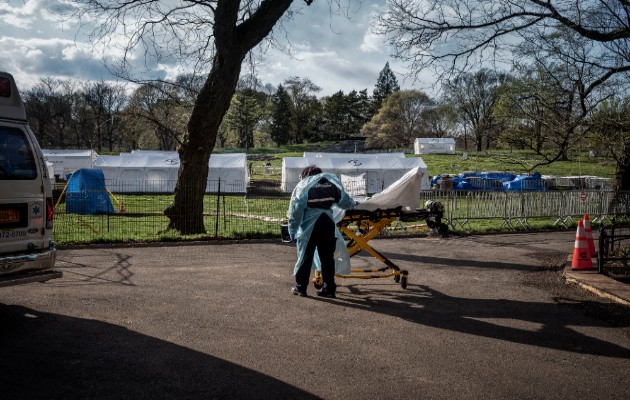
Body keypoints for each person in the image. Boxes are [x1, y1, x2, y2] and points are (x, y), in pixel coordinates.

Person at [287, 165, 355, 298]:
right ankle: (329, 288)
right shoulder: (331, 184)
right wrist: (354, 204)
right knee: (327, 258)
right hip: (327, 224)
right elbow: (345, 202)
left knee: (305, 257)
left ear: (306, 174)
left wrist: (292, 229)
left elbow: (296, 210)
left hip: (309, 227)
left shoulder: (304, 186)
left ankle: (301, 287)